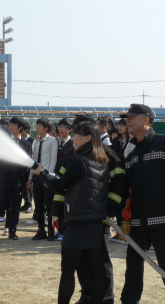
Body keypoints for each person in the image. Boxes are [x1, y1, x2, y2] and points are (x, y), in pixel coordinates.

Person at [120, 104, 165, 304]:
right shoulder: (130, 151)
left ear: (146, 120)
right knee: (133, 265)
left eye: (133, 116)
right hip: (137, 222)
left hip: (163, 218)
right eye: (127, 117)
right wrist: (125, 218)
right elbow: (127, 189)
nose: (128, 120)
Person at [52, 114, 127, 304]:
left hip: (97, 219)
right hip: (76, 216)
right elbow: (65, 187)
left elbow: (120, 183)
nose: (73, 136)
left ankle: (106, 298)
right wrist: (57, 211)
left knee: (100, 263)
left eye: (77, 132)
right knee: (81, 264)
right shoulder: (73, 154)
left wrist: (108, 209)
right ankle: (87, 295)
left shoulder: (107, 153)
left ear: (89, 134)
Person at [34, 121, 110, 304]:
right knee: (94, 270)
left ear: (88, 138)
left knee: (67, 271)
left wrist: (41, 173)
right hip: (95, 223)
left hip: (77, 222)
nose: (73, 138)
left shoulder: (78, 161)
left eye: (76, 135)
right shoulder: (101, 161)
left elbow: (60, 185)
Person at [0, 117, 32, 240]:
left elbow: (28, 163)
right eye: (10, 124)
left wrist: (27, 179)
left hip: (18, 179)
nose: (10, 127)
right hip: (4, 178)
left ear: (20, 127)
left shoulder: (26, 144)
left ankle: (12, 231)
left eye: (13, 125)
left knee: (15, 207)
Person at [27, 117, 58, 241]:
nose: (37, 128)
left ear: (46, 128)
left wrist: (48, 177)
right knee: (38, 205)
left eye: (40, 126)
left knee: (49, 205)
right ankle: (41, 230)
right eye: (37, 125)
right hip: (36, 176)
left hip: (46, 176)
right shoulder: (36, 142)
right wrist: (30, 178)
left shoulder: (52, 141)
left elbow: (53, 160)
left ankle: (51, 231)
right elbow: (33, 162)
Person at [54, 118, 73, 239]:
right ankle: (59, 229)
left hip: (67, 178)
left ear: (70, 130)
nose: (61, 129)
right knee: (58, 205)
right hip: (56, 177)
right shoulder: (55, 142)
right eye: (60, 126)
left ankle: (65, 230)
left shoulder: (72, 144)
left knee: (67, 205)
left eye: (64, 127)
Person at [20, 121, 35, 213]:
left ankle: (29, 205)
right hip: (21, 166)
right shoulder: (20, 140)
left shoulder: (32, 141)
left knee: (28, 186)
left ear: (26, 130)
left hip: (29, 167)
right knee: (22, 186)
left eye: (22, 130)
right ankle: (26, 204)